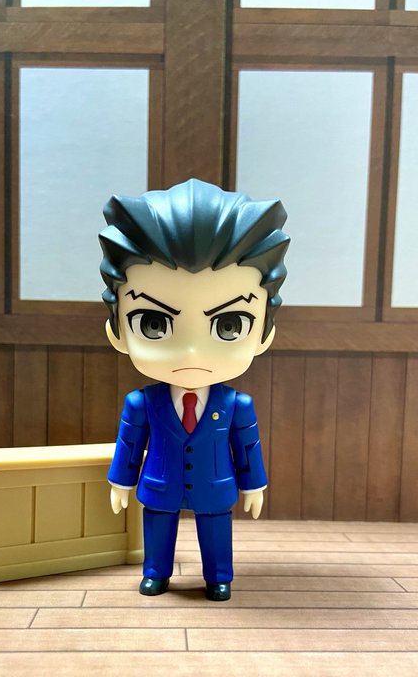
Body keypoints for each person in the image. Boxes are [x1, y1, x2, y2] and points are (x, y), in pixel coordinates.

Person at [98, 178, 289, 601]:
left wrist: (254, 484)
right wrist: (120, 482)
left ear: (264, 333)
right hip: (160, 484)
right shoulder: (141, 403)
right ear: (117, 329)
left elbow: (247, 447)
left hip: (215, 485)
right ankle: (156, 572)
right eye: (153, 323)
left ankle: (219, 576)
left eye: (229, 325)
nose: (191, 352)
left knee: (217, 531)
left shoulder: (237, 405)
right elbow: (129, 446)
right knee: (157, 527)